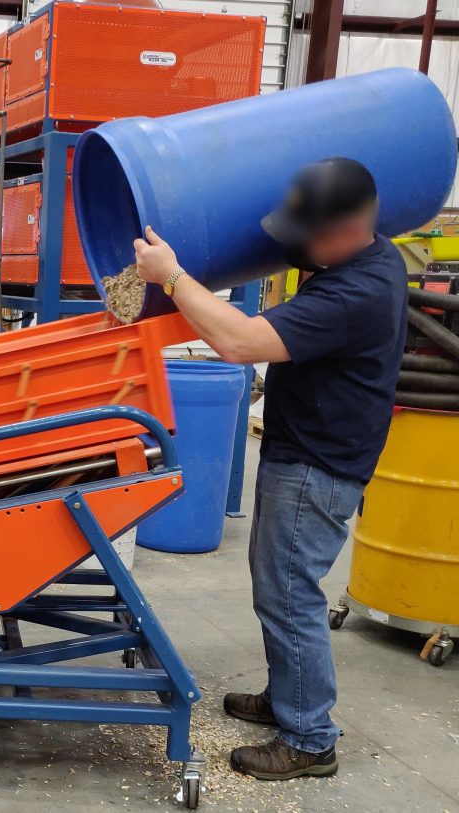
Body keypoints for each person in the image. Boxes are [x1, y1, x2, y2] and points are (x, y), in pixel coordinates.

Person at [133, 158, 407, 781]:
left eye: (312, 233)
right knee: (279, 587)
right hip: (313, 447)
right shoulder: (375, 254)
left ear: (350, 225)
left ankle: (311, 738)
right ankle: (290, 700)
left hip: (317, 462)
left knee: (288, 596)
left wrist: (173, 276)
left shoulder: (353, 293)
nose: (301, 246)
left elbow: (239, 344)